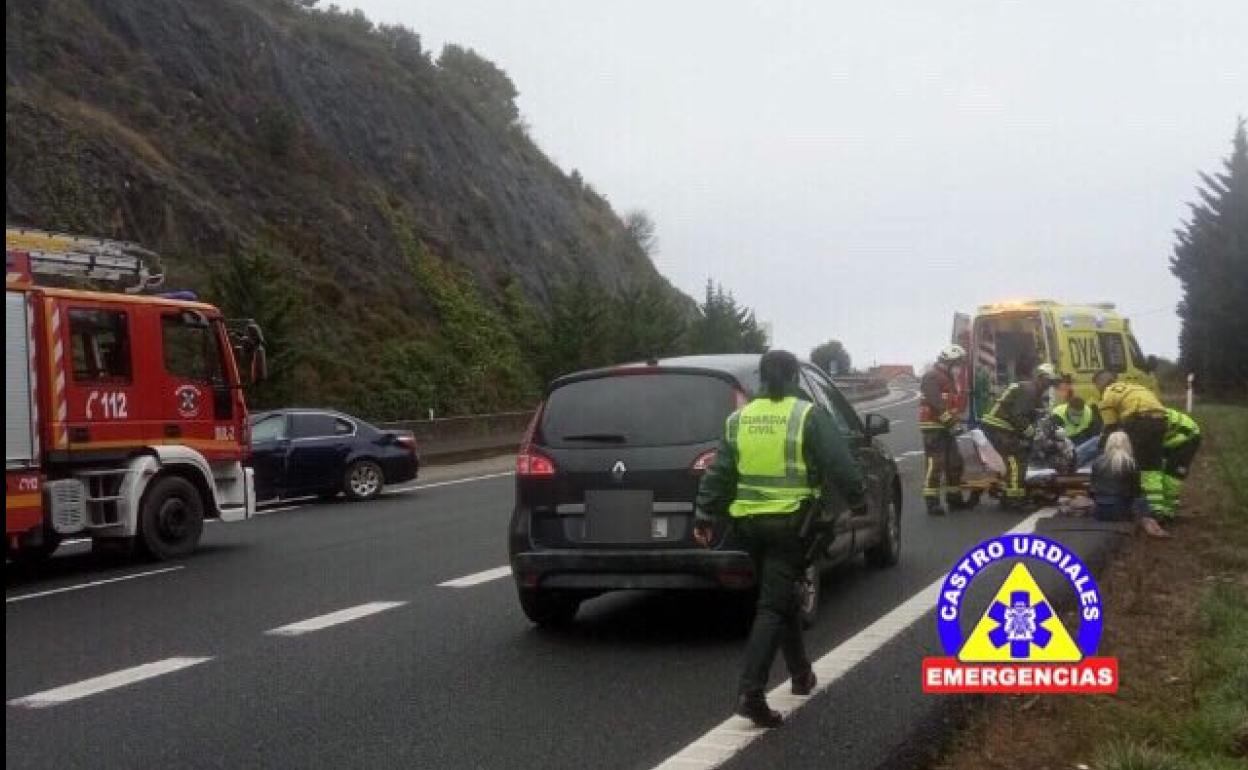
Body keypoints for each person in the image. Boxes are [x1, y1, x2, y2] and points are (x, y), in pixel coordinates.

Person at [694, 350, 866, 728]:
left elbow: (720, 470)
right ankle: (750, 692)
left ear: (761, 378)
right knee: (772, 605)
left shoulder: (739, 419)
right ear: (792, 377)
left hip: (749, 525)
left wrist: (704, 513)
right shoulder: (806, 415)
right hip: (790, 525)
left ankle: (801, 674)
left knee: (783, 595)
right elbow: (839, 462)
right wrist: (857, 499)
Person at [980, 363, 1058, 508]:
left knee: (1019, 455)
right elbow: (1018, 416)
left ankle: (1013, 493)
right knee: (1016, 457)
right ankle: (1013, 497)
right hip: (999, 426)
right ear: (1041, 378)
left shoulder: (1033, 390)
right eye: (1049, 381)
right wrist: (1031, 432)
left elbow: (1033, 413)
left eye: (1052, 383)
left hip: (1003, 426)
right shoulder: (1030, 390)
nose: (1050, 385)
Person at [1093, 371, 1169, 519]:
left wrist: (1102, 455)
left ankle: (1139, 507)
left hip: (1139, 422)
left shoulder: (1107, 395)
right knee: (1152, 466)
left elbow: (1111, 428)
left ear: (1099, 384)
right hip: (1160, 422)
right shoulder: (1134, 387)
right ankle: (1158, 509)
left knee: (1132, 463)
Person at [918, 344, 969, 515]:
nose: (959, 368)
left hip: (945, 427)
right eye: (957, 364)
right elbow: (936, 403)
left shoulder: (948, 378)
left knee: (954, 462)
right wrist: (950, 422)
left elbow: (950, 405)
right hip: (933, 427)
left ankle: (954, 499)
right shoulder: (932, 376)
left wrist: (959, 421)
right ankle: (932, 502)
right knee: (935, 464)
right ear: (948, 362)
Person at [1090, 431, 1169, 537]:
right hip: (1121, 511)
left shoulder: (1097, 462)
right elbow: (1135, 491)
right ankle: (1150, 521)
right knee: (1141, 495)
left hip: (1099, 511)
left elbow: (1093, 487)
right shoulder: (1130, 463)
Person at [1161, 407, 1202, 517]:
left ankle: (1168, 511)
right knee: (1158, 471)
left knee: (1172, 474)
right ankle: (1161, 505)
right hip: (1170, 437)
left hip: (1188, 438)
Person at [1051, 384, 1103, 468]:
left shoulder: (1088, 413)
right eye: (1074, 414)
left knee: (1099, 441)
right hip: (1063, 444)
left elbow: (1094, 434)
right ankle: (1072, 461)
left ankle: (1076, 460)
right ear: (1068, 409)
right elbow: (1051, 440)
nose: (1077, 418)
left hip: (1080, 440)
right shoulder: (1058, 415)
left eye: (1079, 415)